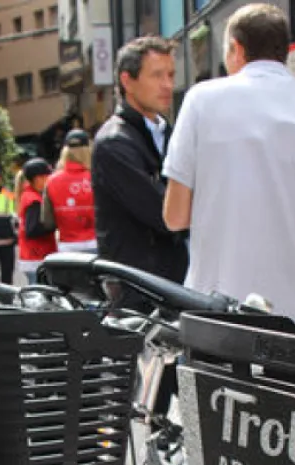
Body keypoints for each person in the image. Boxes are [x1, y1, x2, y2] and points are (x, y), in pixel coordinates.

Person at [162, 3, 295, 332]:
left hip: (215, 314)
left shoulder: (202, 101)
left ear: (236, 48)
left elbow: (175, 216)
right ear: (284, 52)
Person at [93, 35, 188, 309]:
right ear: (127, 81)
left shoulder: (168, 132)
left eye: (170, 74)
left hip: (173, 285)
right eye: (157, 76)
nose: (168, 85)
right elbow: (165, 214)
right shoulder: (114, 142)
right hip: (137, 294)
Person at [43, 129, 97, 253]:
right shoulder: (97, 177)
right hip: (96, 243)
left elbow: (47, 222)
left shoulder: (52, 181)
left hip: (67, 246)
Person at [17, 158, 56, 283]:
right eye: (47, 176)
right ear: (37, 178)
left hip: (34, 256)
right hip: (36, 256)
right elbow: (32, 229)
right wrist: (55, 224)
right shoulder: (34, 200)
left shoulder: (31, 194)